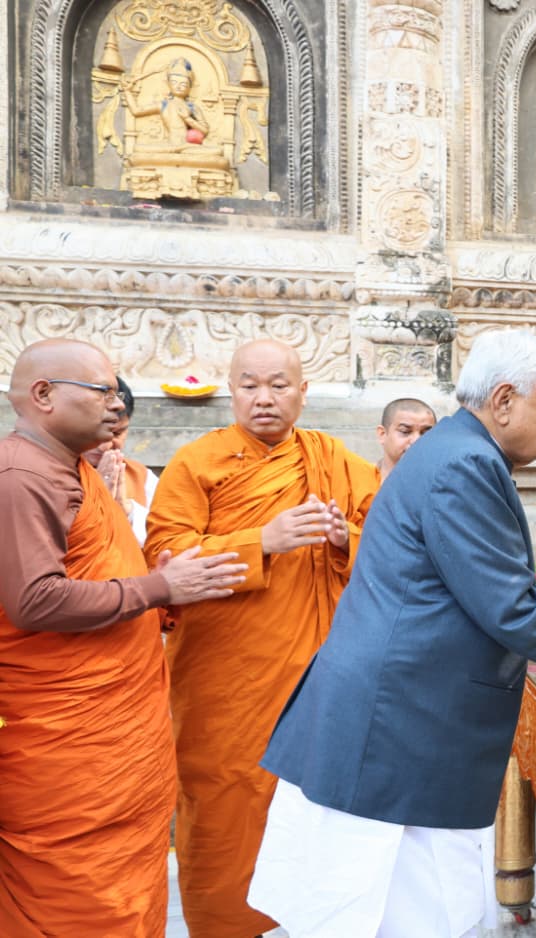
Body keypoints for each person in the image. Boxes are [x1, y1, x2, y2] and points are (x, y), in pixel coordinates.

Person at [248, 330, 536, 937]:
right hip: (397, 730)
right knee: (400, 915)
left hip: (401, 718)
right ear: (503, 402)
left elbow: (490, 585)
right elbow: (510, 611)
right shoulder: (463, 463)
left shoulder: (457, 451)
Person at [0, 339, 247, 937]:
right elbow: (34, 600)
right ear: (43, 396)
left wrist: (154, 581)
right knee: (77, 898)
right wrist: (159, 588)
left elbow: (96, 572)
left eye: (117, 392)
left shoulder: (75, 471)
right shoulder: (22, 477)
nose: (116, 406)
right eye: (103, 391)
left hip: (112, 738)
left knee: (124, 895)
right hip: (67, 745)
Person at [142, 339, 381, 938]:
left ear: (303, 392)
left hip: (318, 681)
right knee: (225, 807)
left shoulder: (336, 461)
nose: (264, 398)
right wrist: (261, 541)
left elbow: (391, 543)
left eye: (278, 385)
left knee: (314, 817)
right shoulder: (197, 463)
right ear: (231, 391)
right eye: (250, 385)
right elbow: (164, 562)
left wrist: (343, 539)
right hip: (226, 686)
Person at [83, 375, 159, 543]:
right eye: (94, 433)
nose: (104, 446)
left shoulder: (142, 477)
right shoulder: (49, 475)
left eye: (117, 433)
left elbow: (163, 539)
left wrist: (128, 511)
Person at [375, 397, 436, 478]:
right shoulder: (361, 480)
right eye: (405, 431)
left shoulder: (444, 484)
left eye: (426, 434)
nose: (416, 441)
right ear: (382, 434)